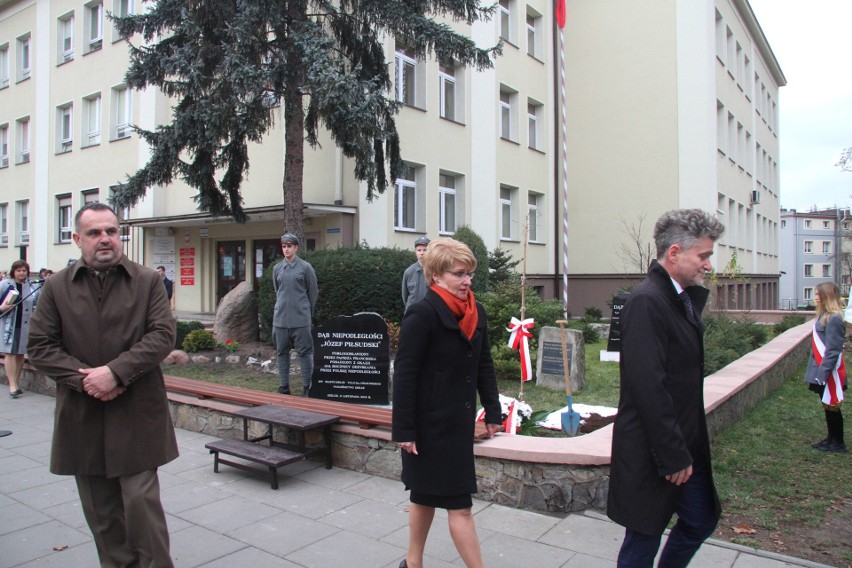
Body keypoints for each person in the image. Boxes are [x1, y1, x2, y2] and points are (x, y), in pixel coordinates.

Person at [27, 202, 178, 567]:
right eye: (95, 233)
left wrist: (115, 372)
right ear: (78, 239)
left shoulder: (147, 281)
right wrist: (88, 380)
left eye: (111, 231)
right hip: (83, 415)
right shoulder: (57, 287)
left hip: (138, 413)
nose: (105, 239)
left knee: (142, 506)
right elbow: (40, 346)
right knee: (102, 515)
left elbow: (162, 335)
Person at [608, 209, 725, 568]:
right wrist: (672, 454)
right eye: (703, 255)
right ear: (674, 253)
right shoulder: (648, 301)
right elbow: (648, 386)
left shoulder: (676, 297)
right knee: (643, 536)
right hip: (656, 449)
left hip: (683, 441)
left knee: (700, 517)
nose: (708, 265)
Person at [392, 237, 502, 568]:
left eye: (469, 274)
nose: (467, 281)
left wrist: (493, 411)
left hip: (457, 421)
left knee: (424, 496)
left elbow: (483, 364)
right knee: (458, 505)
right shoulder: (421, 314)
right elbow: (406, 376)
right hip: (427, 428)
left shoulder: (476, 311)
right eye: (459, 274)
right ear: (436, 276)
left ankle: (412, 563)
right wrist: (405, 430)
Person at [272, 232, 318, 396]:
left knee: (305, 353)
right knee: (281, 353)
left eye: (289, 246)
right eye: (284, 246)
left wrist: (305, 311)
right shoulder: (277, 268)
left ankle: (307, 386)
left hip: (300, 319)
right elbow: (278, 292)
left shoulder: (306, 267)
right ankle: (284, 386)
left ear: (296, 248)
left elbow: (312, 293)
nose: (286, 250)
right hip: (281, 319)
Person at [804, 282, 847, 453]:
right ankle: (831, 438)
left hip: (829, 372)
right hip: (822, 370)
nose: (815, 297)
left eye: (817, 294)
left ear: (826, 296)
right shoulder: (824, 316)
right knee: (827, 406)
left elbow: (832, 350)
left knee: (833, 406)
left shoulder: (833, 318)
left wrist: (822, 375)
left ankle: (838, 442)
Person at [1, 260, 39, 398]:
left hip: (25, 324)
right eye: (19, 270)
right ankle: (12, 385)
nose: (21, 273)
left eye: (24, 270)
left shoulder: (32, 286)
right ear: (14, 272)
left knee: (20, 354)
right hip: (9, 325)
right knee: (10, 353)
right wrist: (2, 308)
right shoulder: (5, 284)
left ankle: (16, 382)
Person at [401, 235, 430, 313]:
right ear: (415, 252)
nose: (422, 253)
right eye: (419, 250)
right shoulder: (409, 272)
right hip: (412, 315)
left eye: (425, 250)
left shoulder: (435, 271)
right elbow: (405, 296)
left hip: (430, 315)